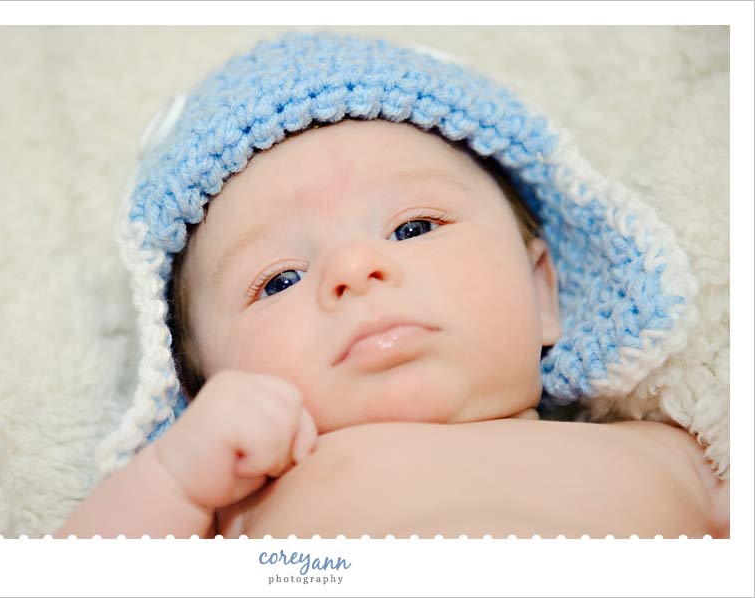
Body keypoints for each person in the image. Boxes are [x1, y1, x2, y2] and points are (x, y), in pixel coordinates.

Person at [57, 32, 728, 539]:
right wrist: (170, 478)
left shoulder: (672, 456)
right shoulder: (228, 509)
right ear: (200, 385)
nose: (354, 270)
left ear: (543, 291)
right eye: (279, 280)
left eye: (413, 227)